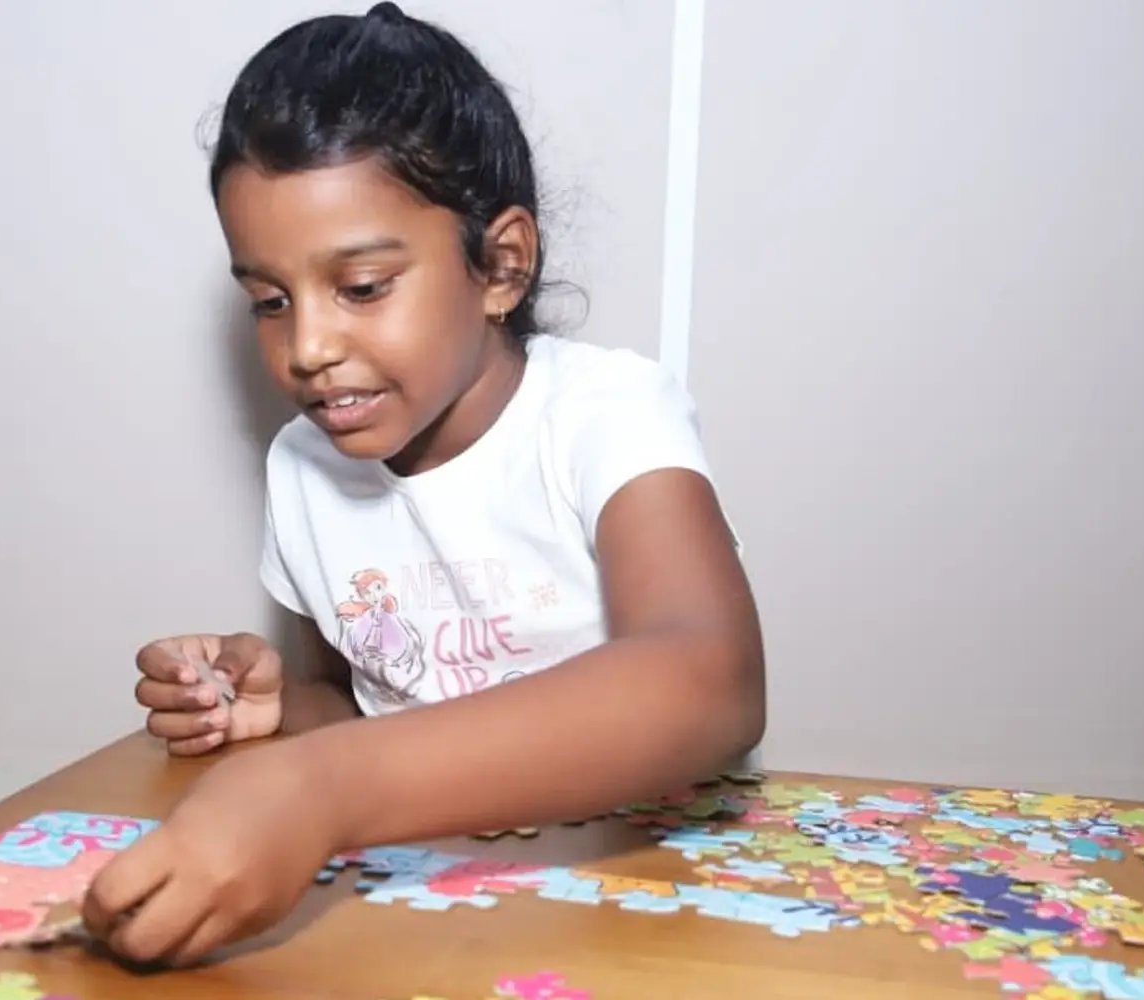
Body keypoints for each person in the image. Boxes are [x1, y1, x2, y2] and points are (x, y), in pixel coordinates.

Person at [81, 1, 765, 965]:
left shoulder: (607, 412)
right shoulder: (306, 467)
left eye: (361, 288)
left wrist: (319, 789)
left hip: (646, 914)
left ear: (501, 264)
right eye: (269, 302)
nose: (308, 348)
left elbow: (709, 682)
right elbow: (367, 700)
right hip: (419, 921)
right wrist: (279, 709)